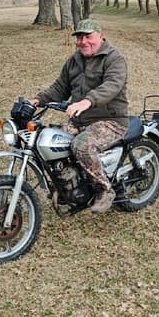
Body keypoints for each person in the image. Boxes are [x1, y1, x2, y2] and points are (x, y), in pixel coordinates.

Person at [29, 18, 129, 214]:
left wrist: (87, 101)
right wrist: (37, 100)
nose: (83, 41)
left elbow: (111, 86)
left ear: (100, 35)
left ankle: (104, 190)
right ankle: (68, 184)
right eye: (79, 37)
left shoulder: (114, 58)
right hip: (80, 120)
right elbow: (60, 88)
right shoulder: (74, 60)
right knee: (48, 140)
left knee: (81, 145)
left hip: (110, 120)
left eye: (88, 36)